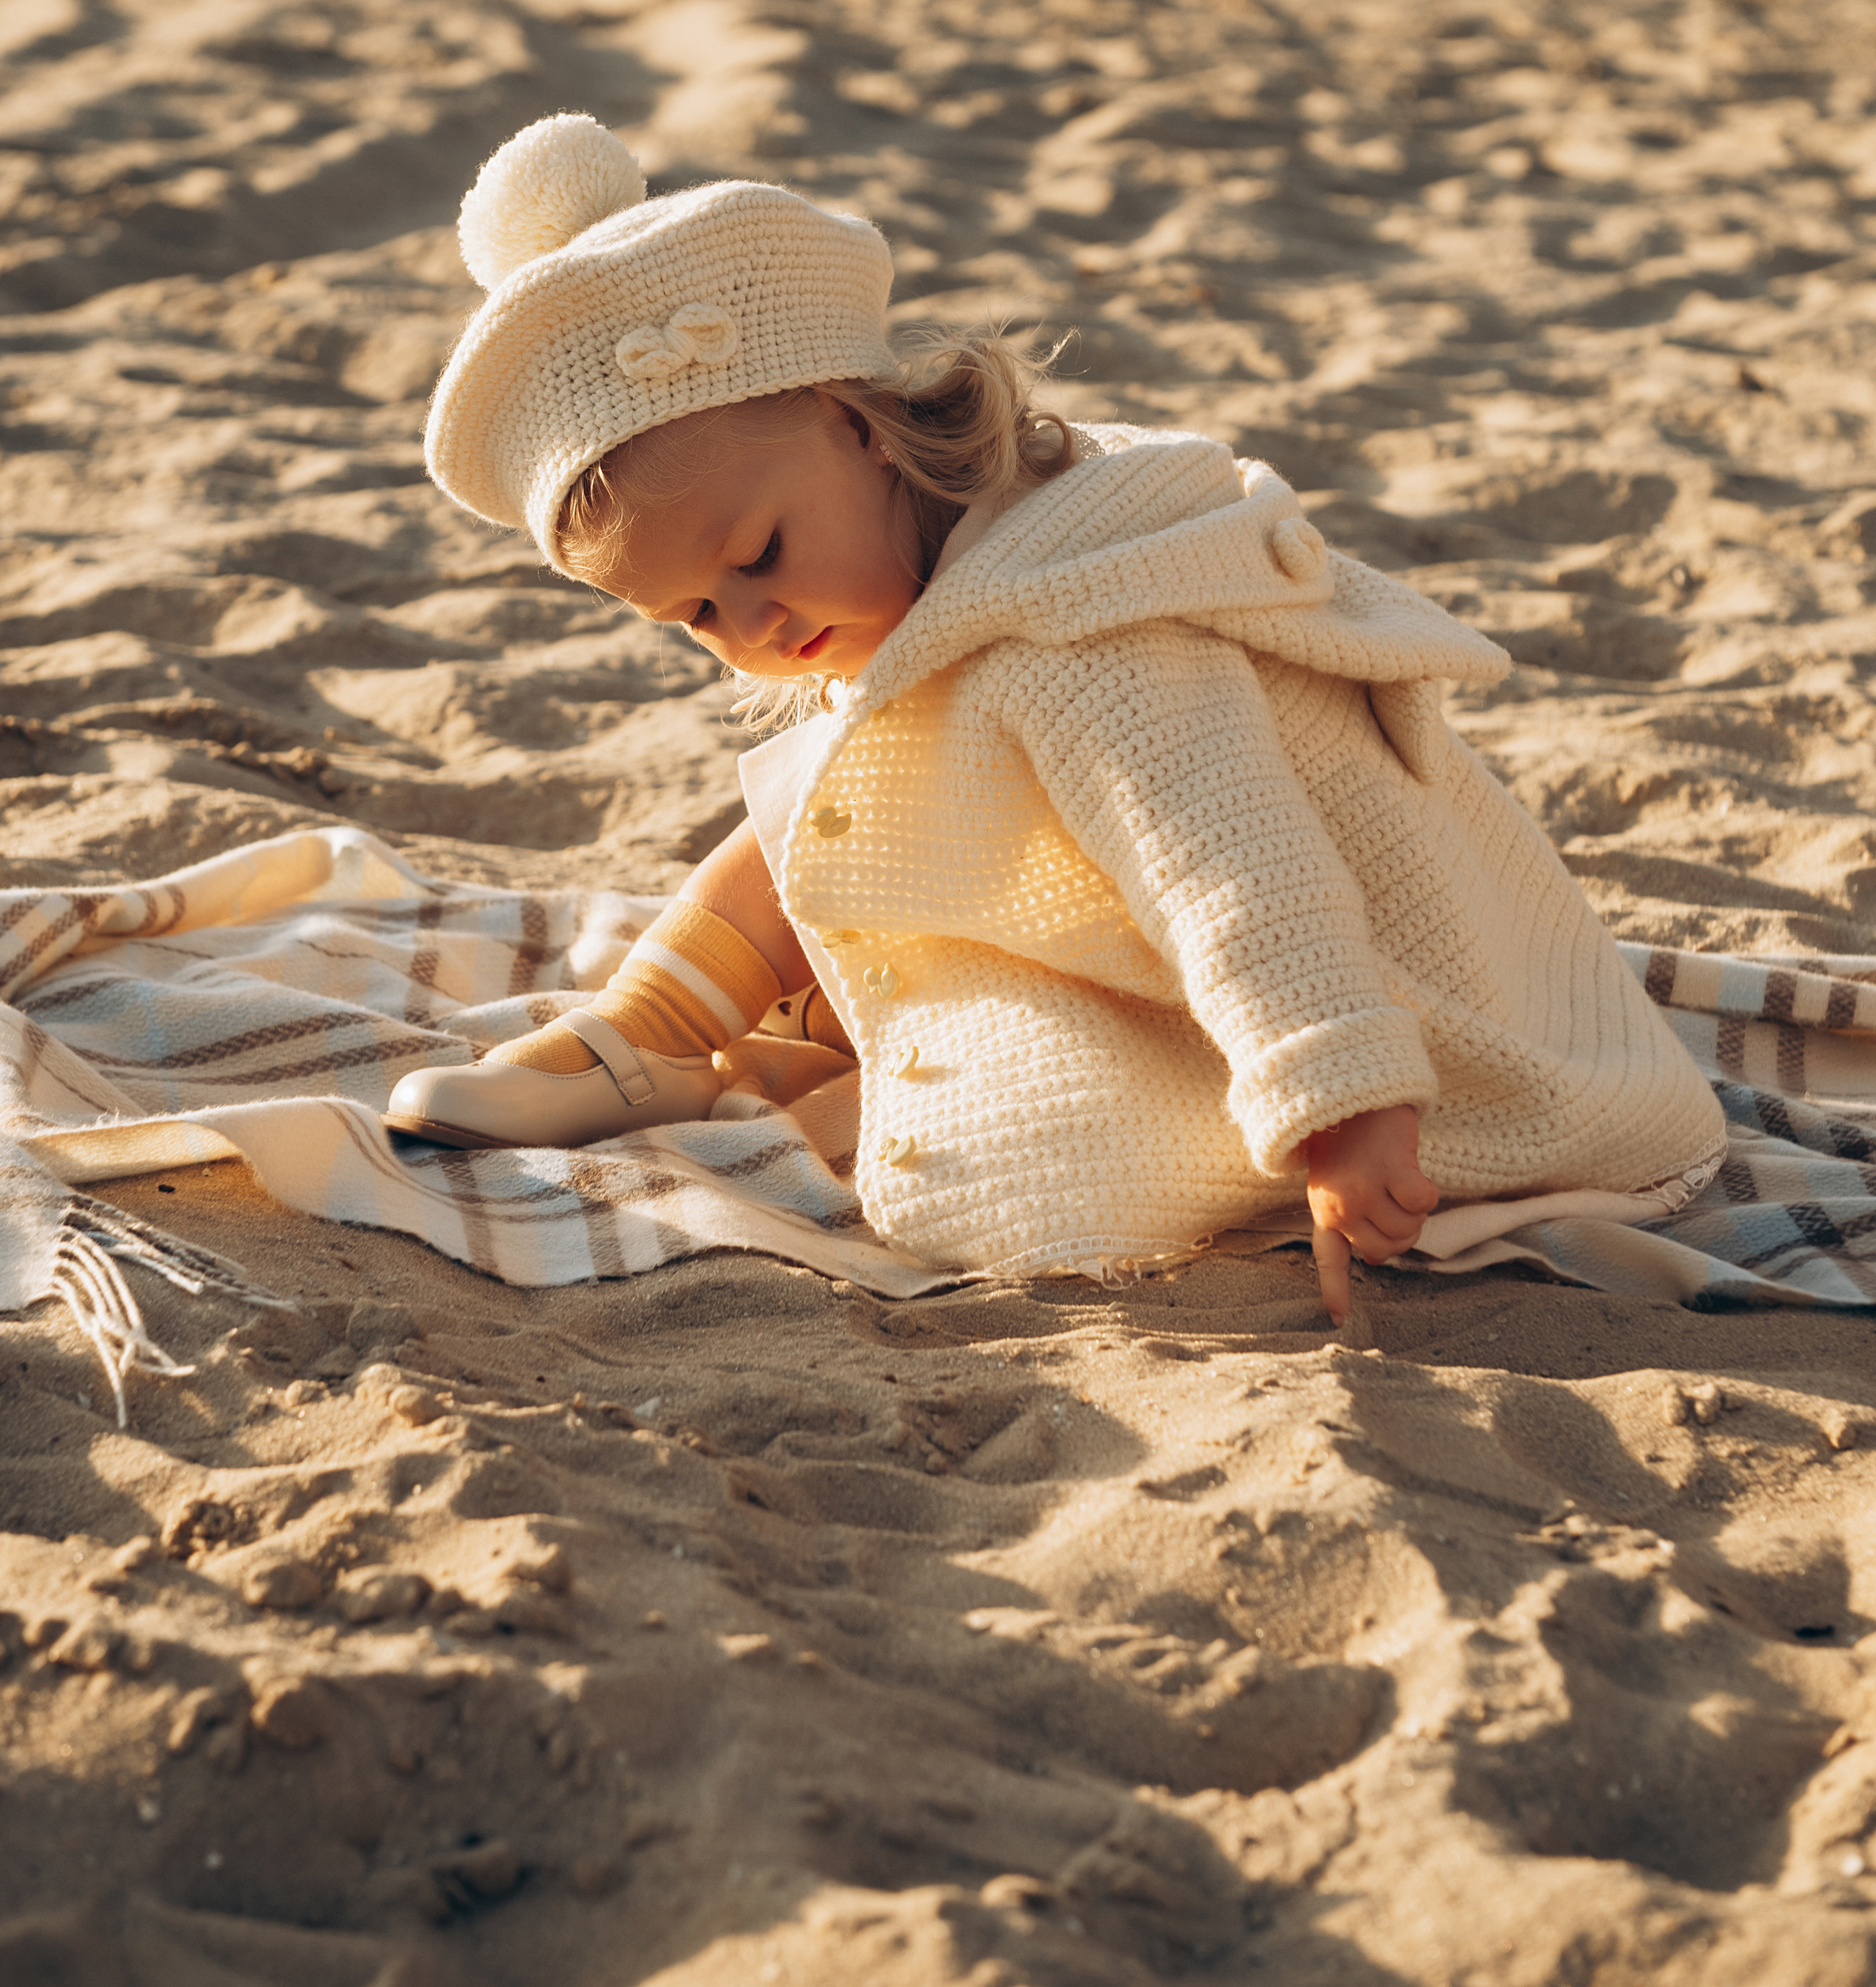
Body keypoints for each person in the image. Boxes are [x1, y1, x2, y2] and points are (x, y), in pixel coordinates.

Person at [385, 112, 1724, 1321]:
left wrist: (1346, 1108)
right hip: (1167, 927)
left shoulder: (1084, 633)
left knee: (1003, 1149)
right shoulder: (961, 552)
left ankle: (767, 1042)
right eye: (693, 616)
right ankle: (646, 1034)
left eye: (759, 554)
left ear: (858, 423)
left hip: (1390, 1017)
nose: (752, 628)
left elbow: (1238, 876)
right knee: (831, 784)